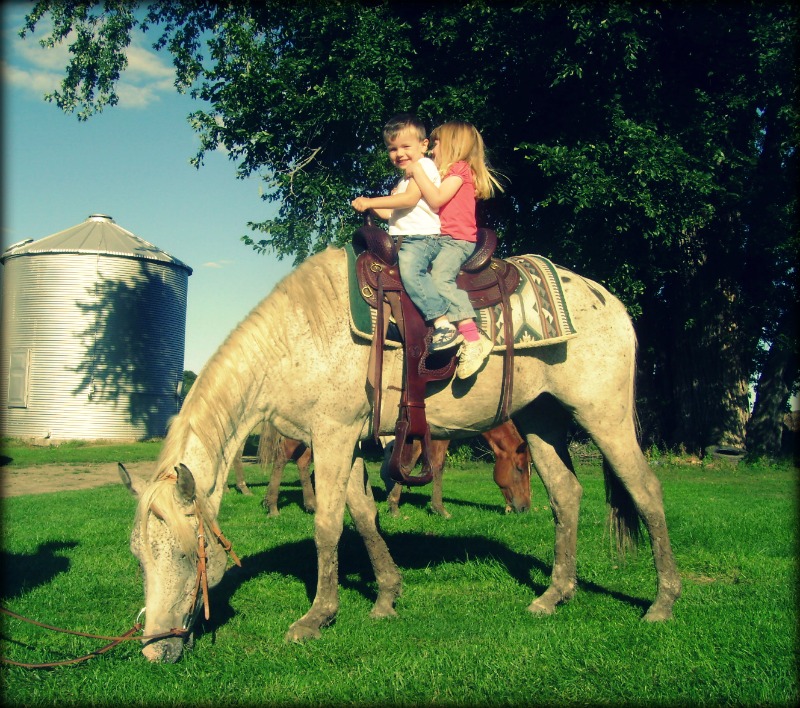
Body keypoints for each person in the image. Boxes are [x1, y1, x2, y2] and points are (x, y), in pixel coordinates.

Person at [407, 120, 504, 379]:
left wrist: (417, 172)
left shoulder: (460, 171)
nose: (431, 150)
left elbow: (436, 199)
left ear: (452, 145)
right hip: (442, 238)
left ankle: (473, 338)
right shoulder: (448, 175)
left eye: (435, 144)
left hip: (457, 241)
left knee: (440, 277)